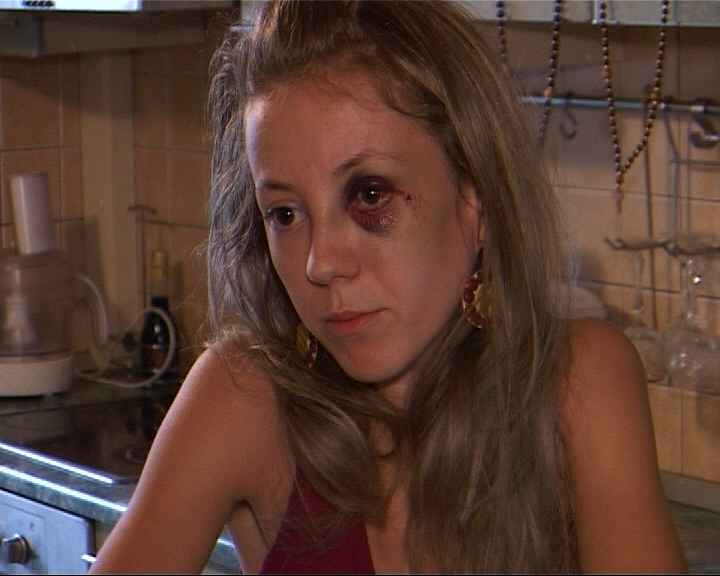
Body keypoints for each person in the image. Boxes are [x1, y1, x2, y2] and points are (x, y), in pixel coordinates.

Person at [90, 1, 687, 573]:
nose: (321, 263)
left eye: (370, 195)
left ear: (476, 199)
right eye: (286, 214)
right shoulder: (243, 397)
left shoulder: (578, 382)